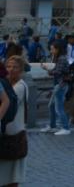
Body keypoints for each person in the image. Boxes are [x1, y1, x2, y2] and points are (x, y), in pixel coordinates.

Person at [0, 56, 29, 185]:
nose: (11, 70)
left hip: (14, 135)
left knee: (13, 177)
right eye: (8, 66)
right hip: (8, 135)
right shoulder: (8, 85)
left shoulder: (19, 87)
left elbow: (9, 106)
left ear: (21, 70)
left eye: (15, 67)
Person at [40, 41, 72, 135]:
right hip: (59, 84)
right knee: (52, 106)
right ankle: (52, 126)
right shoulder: (58, 58)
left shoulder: (61, 59)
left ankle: (65, 128)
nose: (51, 51)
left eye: (52, 49)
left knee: (59, 108)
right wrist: (48, 69)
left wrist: (48, 71)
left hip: (61, 85)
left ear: (57, 49)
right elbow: (57, 70)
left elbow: (58, 72)